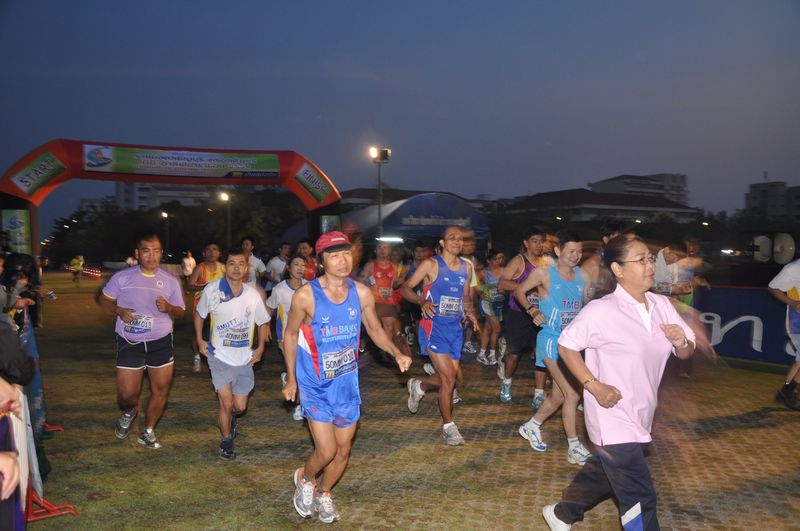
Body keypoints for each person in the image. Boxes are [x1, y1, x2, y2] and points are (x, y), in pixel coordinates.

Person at [541, 235, 695, 531]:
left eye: (650, 258)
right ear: (618, 269)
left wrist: (682, 342)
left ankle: (562, 513)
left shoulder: (662, 305)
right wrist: (593, 385)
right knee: (639, 496)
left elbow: (686, 351)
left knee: (604, 472)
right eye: (641, 259)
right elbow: (566, 346)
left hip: (642, 412)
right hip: (610, 415)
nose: (650, 265)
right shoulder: (602, 310)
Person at [283, 231, 411, 524]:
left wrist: (396, 352)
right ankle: (306, 479)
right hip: (315, 382)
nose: (342, 261)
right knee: (326, 450)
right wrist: (291, 378)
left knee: (343, 450)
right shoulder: (306, 295)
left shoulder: (361, 293)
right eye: (334, 256)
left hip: (346, 383)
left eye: (346, 254)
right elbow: (290, 335)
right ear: (321, 261)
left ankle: (324, 493)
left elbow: (375, 329)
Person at [99, 234, 185, 449]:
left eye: (156, 251)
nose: (151, 255)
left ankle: (148, 431)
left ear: (161, 253)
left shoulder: (170, 281)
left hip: (160, 341)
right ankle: (130, 411)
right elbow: (104, 300)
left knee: (160, 390)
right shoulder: (122, 278)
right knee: (127, 395)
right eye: (146, 250)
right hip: (130, 342)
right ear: (137, 253)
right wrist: (118, 310)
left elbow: (181, 311)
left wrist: (169, 308)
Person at [516, 231, 593, 466]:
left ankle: (531, 426)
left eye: (579, 251)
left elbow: (586, 306)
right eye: (571, 251)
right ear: (559, 251)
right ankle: (574, 447)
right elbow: (519, 291)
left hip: (572, 344)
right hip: (550, 340)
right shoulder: (544, 273)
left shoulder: (582, 276)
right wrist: (532, 310)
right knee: (573, 394)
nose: (575, 256)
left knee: (559, 395)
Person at [401, 226, 479, 446]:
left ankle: (420, 387)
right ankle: (449, 427)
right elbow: (405, 288)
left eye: (460, 238)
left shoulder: (466, 267)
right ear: (442, 243)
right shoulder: (431, 264)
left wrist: (470, 313)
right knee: (449, 379)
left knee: (451, 378)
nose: (456, 241)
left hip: (455, 330)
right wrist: (421, 301)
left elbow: (466, 297)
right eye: (451, 238)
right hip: (433, 328)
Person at [195, 247, 270, 460]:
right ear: (225, 266)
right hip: (218, 356)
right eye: (231, 263)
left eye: (240, 264)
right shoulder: (212, 290)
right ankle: (226, 441)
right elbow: (199, 315)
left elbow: (263, 321)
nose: (236, 268)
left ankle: (230, 419)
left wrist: (260, 348)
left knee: (239, 407)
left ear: (246, 268)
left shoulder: (252, 294)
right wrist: (200, 339)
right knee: (226, 403)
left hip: (244, 359)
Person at [497, 226, 549, 407]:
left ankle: (539, 394)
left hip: (540, 314)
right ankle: (506, 382)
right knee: (514, 354)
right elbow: (502, 283)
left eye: (541, 241)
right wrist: (527, 287)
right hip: (518, 314)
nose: (539, 245)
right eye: (534, 241)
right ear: (526, 243)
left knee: (541, 354)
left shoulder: (546, 263)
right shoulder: (519, 261)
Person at [266, 254, 308, 421]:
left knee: (304, 371)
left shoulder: (310, 287)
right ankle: (298, 406)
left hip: (307, 338)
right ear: (289, 268)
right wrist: (266, 328)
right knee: (298, 372)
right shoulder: (280, 289)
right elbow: (269, 308)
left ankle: (287, 377)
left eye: (303, 265)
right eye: (296, 264)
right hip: (286, 338)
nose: (300, 268)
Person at [186, 242, 225, 373]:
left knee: (218, 333)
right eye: (208, 250)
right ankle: (197, 357)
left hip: (219, 306)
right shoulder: (200, 268)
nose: (212, 252)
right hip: (201, 305)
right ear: (204, 253)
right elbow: (189, 286)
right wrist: (204, 286)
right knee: (198, 333)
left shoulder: (223, 268)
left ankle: (218, 359)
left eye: (215, 249)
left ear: (219, 253)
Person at [767, 257, 800, 411]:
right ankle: (788, 391)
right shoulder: (793, 269)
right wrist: (793, 303)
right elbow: (773, 287)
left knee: (799, 361)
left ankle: (785, 391)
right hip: (797, 321)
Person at [476, 249, 505, 366]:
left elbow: (508, 284)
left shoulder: (504, 271)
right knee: (497, 328)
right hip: (487, 303)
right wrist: (480, 292)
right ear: (489, 260)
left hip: (498, 303)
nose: (499, 261)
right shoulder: (484, 272)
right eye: (495, 259)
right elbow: (474, 283)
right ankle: (492, 354)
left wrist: (505, 290)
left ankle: (481, 354)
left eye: (500, 258)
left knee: (488, 329)